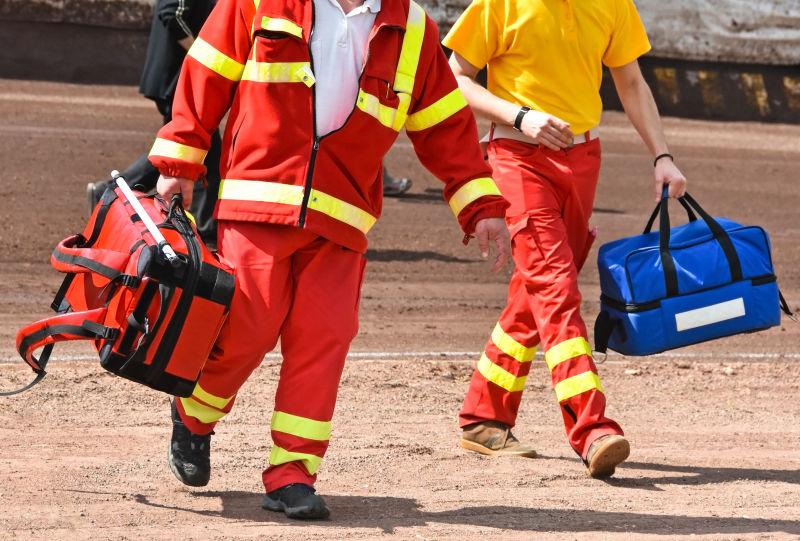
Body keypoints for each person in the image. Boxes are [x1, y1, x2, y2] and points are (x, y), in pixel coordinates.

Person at [149, 0, 511, 519]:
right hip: (259, 196)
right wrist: (180, 156)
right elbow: (207, 69)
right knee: (248, 326)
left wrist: (480, 205)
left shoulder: (412, 28)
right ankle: (194, 415)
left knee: (325, 336)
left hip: (343, 213)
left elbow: (444, 124)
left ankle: (292, 472)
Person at [444, 0, 687, 478]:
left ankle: (483, 418)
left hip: (583, 159)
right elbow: (454, 75)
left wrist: (662, 155)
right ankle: (592, 427)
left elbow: (632, 83)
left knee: (534, 295)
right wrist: (520, 117)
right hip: (516, 156)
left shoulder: (614, 5)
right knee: (555, 289)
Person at [86, 0, 221, 247]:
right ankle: (113, 191)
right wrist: (201, 57)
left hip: (179, 76)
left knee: (193, 149)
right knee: (188, 148)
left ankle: (206, 227)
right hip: (176, 77)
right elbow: (172, 13)